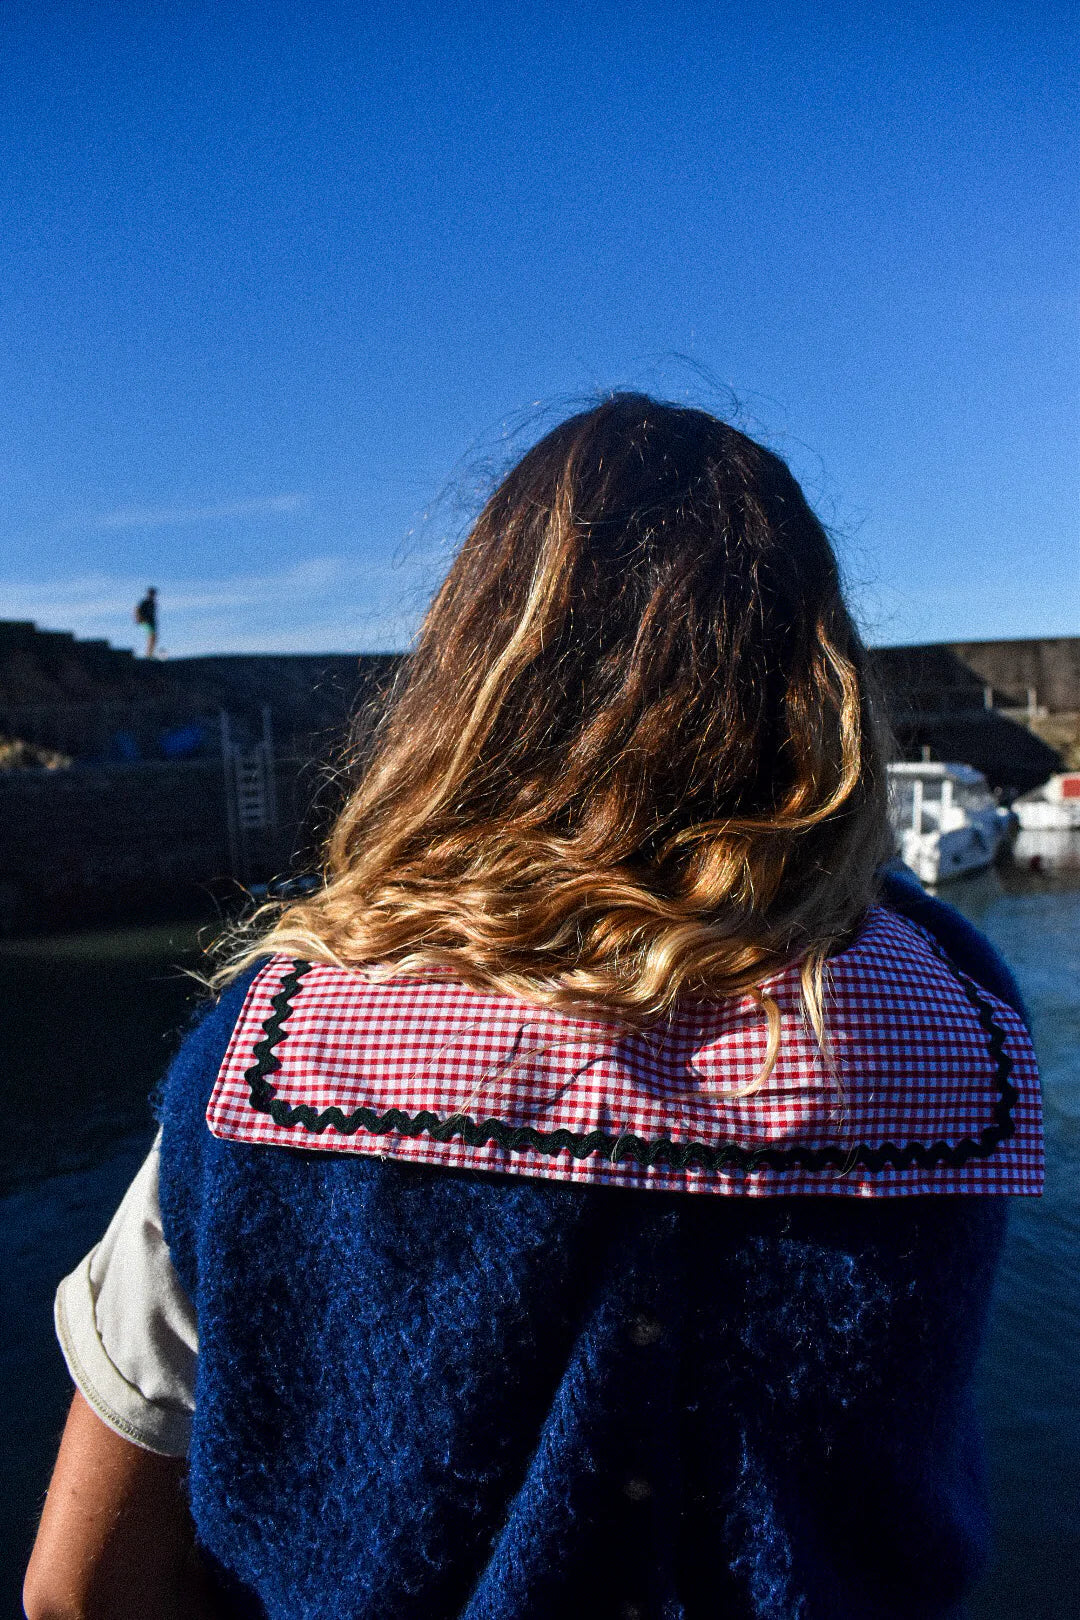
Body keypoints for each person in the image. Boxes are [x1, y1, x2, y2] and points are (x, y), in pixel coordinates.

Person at [26, 396, 1042, 1620]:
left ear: (471, 677)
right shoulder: (953, 1022)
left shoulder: (275, 1049)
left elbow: (80, 1587)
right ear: (816, 683)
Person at [134, 586, 159, 658]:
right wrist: (138, 618)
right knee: (152, 635)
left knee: (154, 637)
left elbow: (153, 614)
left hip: (151, 622)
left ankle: (150, 653)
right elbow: (137, 609)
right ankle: (148, 654)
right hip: (145, 621)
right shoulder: (145, 602)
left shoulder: (153, 603)